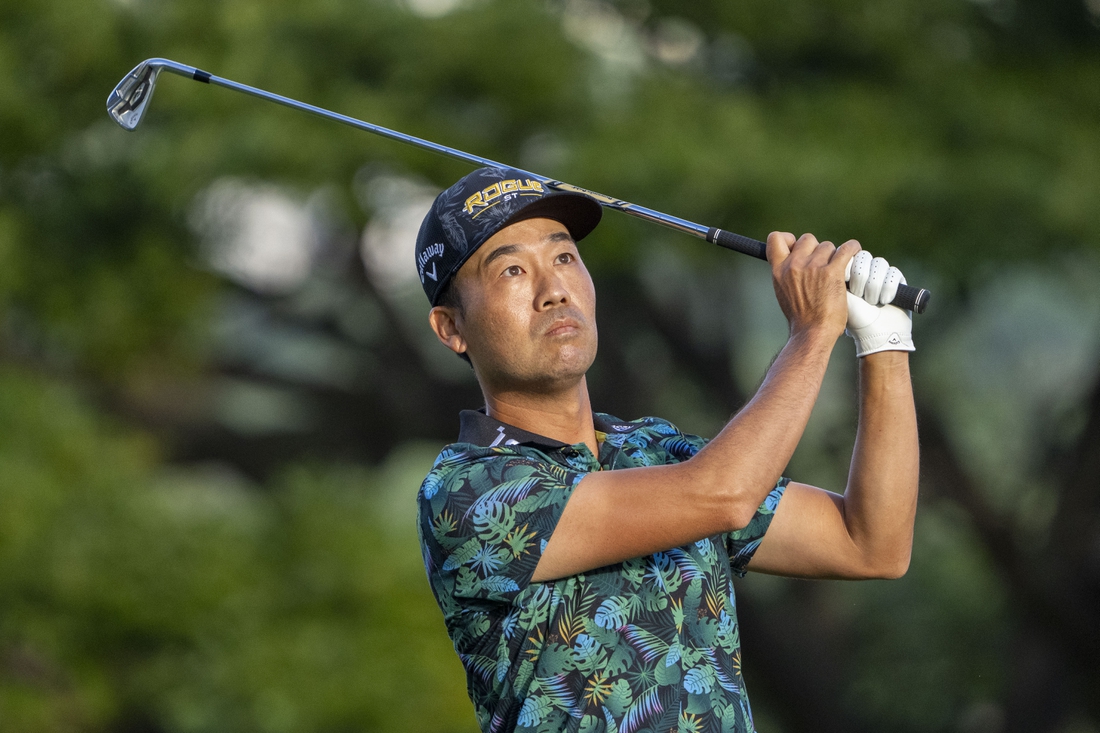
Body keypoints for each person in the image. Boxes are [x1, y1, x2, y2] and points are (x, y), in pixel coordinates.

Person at [415, 166, 918, 733]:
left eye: (563, 258)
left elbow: (871, 543)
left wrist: (884, 344)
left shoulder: (657, 450)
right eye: (511, 269)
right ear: (451, 328)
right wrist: (811, 333)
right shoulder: (467, 491)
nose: (554, 289)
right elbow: (722, 494)